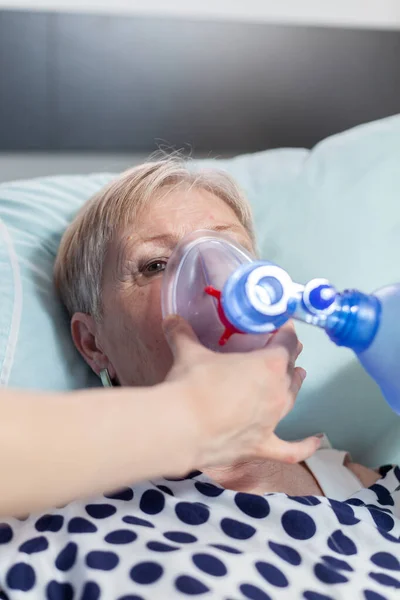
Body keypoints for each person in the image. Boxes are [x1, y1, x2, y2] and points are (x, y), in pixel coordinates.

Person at [0, 160, 398, 600]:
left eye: (230, 251)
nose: (213, 276)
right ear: (93, 343)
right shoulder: (41, 512)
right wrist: (195, 417)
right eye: (155, 264)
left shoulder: (378, 494)